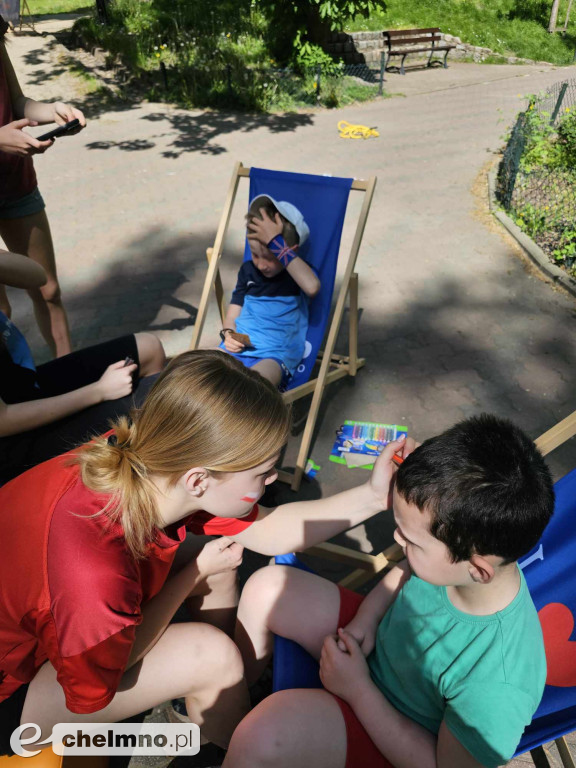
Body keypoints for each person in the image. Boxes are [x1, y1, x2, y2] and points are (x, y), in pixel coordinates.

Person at [0, 348, 410, 756]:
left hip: (60, 625)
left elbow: (268, 529)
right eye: (261, 473)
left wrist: (375, 496)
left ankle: (226, 695)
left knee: (216, 564)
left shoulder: (143, 462)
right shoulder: (91, 575)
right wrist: (189, 577)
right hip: (12, 697)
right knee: (211, 655)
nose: (271, 481)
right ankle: (239, 747)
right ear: (198, 481)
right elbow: (105, 674)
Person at [225, 414, 555, 768]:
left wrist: (358, 690)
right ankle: (234, 701)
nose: (397, 541)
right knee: (266, 588)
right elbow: (408, 570)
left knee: (263, 734)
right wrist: (367, 618)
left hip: (393, 734)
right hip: (373, 652)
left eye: (411, 541)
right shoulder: (460, 564)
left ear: (477, 569)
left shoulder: (500, 682)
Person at [0, 248, 166, 484]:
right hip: (13, 445)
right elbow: (3, 421)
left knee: (148, 347)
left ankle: (147, 458)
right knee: (157, 395)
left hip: (22, 385)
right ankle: (140, 481)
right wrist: (99, 391)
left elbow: (37, 277)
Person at [0, 14, 86, 357]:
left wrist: (55, 111)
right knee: (1, 310)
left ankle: (71, 378)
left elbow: (18, 102)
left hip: (16, 183)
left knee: (48, 290)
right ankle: (11, 399)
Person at [220, 194, 320, 386]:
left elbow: (312, 287)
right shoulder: (248, 271)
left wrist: (276, 243)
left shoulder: (296, 273)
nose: (262, 265)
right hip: (238, 348)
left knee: (253, 385)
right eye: (255, 255)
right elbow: (233, 314)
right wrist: (228, 333)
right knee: (196, 364)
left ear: (291, 251)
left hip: (275, 357)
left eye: (270, 257)